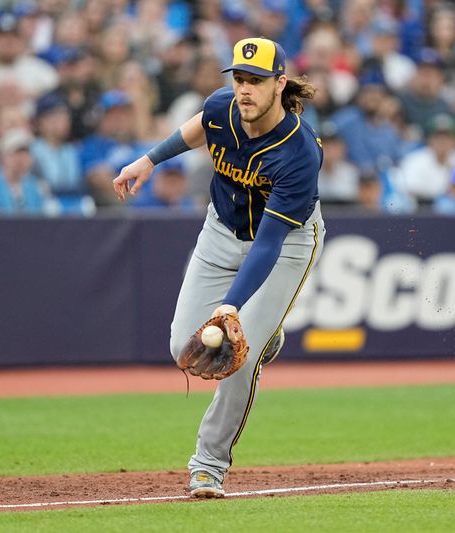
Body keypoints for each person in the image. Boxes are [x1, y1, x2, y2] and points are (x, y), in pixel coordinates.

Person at [112, 37, 324, 498]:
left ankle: (208, 464)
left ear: (280, 84)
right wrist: (148, 160)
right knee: (182, 346)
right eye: (240, 79)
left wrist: (230, 307)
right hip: (220, 229)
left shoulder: (299, 152)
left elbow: (268, 244)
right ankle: (265, 332)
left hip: (284, 242)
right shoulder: (223, 107)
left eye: (257, 81)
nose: (245, 89)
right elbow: (198, 127)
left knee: (236, 358)